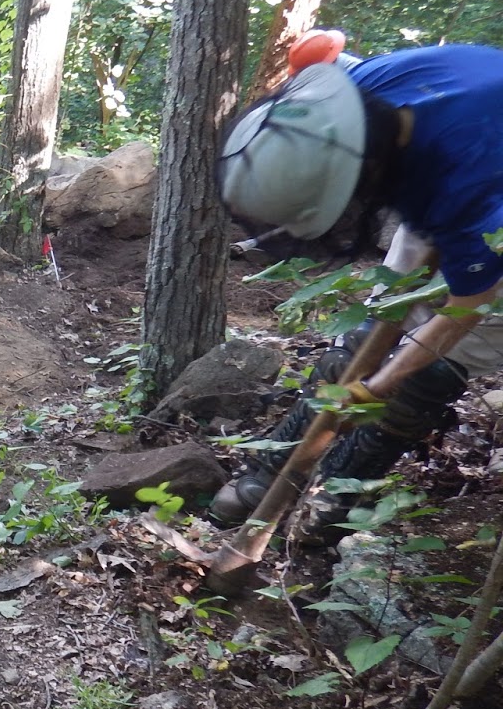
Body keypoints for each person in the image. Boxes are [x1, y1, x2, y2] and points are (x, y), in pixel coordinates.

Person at [213, 45, 503, 534]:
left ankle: (328, 505)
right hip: (441, 174)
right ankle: (269, 479)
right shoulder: (352, 99)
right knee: (370, 333)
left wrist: (376, 387)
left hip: (485, 200)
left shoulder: (470, 192)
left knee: (425, 377)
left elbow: (466, 308)